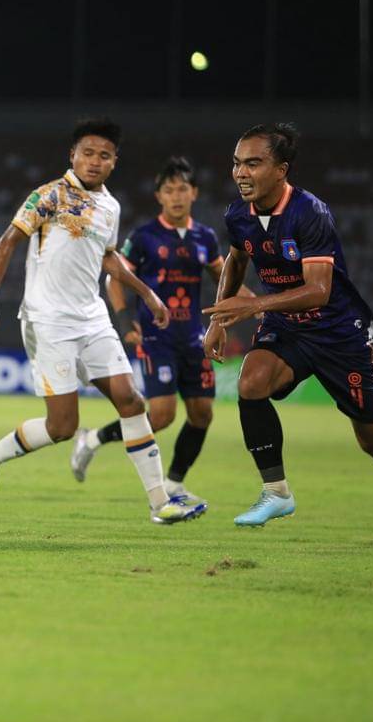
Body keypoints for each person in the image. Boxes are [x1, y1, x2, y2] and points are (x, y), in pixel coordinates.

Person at [204, 122, 373, 552]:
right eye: (237, 163)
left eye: (253, 163)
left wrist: (255, 306)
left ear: (281, 170)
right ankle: (276, 492)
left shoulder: (309, 213)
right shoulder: (237, 215)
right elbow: (236, 261)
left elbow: (319, 290)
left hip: (338, 333)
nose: (241, 172)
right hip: (287, 326)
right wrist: (218, 321)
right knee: (251, 382)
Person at [0, 119, 205, 525]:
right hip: (48, 321)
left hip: (92, 318)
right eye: (88, 153)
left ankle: (160, 503)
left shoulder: (110, 206)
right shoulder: (49, 195)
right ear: (73, 155)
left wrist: (147, 293)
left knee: (132, 401)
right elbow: (6, 243)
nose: (95, 161)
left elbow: (108, 258)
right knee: (62, 426)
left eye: (104, 155)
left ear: (114, 162)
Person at [70, 156, 256, 502]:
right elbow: (115, 278)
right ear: (159, 196)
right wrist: (125, 321)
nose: (176, 196)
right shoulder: (144, 237)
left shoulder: (204, 237)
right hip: (157, 337)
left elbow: (225, 278)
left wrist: (258, 305)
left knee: (202, 414)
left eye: (182, 189)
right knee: (161, 416)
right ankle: (92, 439)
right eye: (169, 190)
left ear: (194, 193)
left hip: (194, 337)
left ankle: (174, 484)